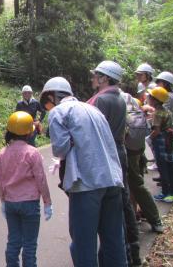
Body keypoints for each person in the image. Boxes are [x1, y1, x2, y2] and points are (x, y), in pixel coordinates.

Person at [41, 76, 127, 267]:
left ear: (52, 96)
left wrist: (70, 141)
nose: (48, 107)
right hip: (112, 180)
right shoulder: (93, 108)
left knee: (83, 246)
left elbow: (60, 149)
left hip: (86, 184)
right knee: (114, 242)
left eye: (47, 102)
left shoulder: (58, 111)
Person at [88, 61, 142, 265]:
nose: (93, 78)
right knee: (122, 201)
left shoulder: (101, 100)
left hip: (105, 153)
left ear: (105, 78)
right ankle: (132, 251)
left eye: (96, 75)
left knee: (111, 206)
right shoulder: (119, 97)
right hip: (119, 151)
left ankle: (121, 256)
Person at [0, 111, 52, 267]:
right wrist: (47, 202)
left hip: (10, 203)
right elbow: (41, 179)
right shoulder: (32, 153)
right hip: (29, 204)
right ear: (28, 133)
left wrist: (3, 201)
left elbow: (0, 181)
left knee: (13, 241)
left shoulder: (2, 153)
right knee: (29, 244)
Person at [121, 91, 164, 234]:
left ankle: (142, 219)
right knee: (136, 185)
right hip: (138, 150)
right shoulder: (134, 104)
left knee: (132, 184)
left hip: (128, 151)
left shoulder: (114, 104)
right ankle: (140, 217)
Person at [147, 87, 173, 203]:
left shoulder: (157, 113)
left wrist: (149, 138)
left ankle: (165, 193)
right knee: (171, 167)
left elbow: (156, 131)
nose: (148, 98)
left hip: (161, 142)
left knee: (163, 167)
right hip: (169, 140)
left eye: (150, 96)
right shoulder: (167, 111)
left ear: (155, 100)